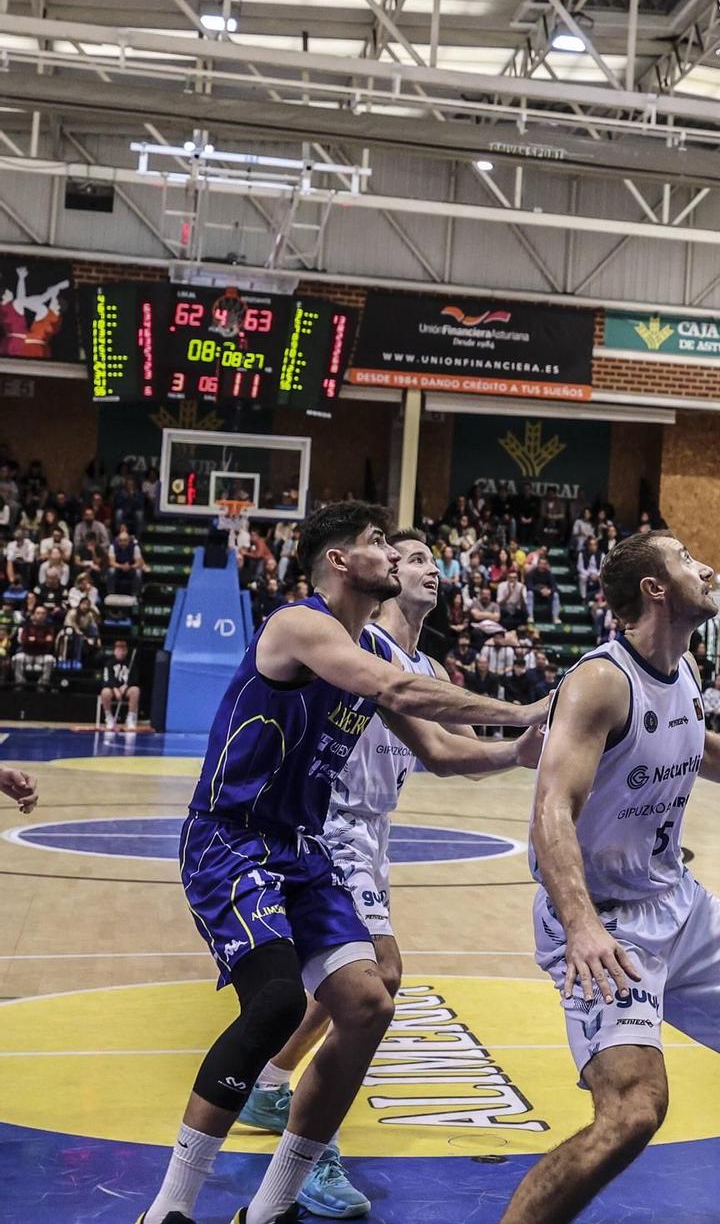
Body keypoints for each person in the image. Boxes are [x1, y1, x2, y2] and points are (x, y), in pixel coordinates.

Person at [139, 502, 547, 1224]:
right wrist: (520, 710)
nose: (393, 554)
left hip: (301, 847)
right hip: (230, 836)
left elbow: (443, 752)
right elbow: (390, 689)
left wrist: (515, 753)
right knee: (277, 1003)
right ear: (339, 560)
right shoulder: (298, 625)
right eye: (378, 543)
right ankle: (169, 1207)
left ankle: (268, 1209)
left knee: (367, 1001)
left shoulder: (382, 653)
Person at [499, 529, 720, 1224]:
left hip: (678, 903)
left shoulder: (685, 671)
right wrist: (580, 924)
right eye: (687, 559)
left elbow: (703, 745)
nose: (706, 566)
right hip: (607, 919)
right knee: (634, 1111)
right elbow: (551, 809)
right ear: (654, 587)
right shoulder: (600, 681)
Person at [98, 638, 141, 731]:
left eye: (123, 650)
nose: (121, 652)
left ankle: (130, 718)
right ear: (114, 651)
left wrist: (125, 686)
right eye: (118, 650)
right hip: (113, 689)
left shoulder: (131, 663)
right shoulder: (109, 664)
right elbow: (107, 679)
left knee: (136, 690)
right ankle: (109, 718)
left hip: (126, 689)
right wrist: (115, 689)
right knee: (105, 692)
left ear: (126, 651)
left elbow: (135, 678)